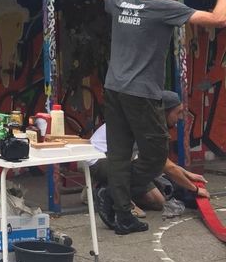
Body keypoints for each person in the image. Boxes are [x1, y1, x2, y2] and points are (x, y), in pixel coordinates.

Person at [67, 0, 226, 234]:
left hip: (114, 89)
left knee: (119, 154)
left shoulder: (122, 1)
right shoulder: (163, 7)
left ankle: (123, 216)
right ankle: (115, 197)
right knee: (154, 155)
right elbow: (218, 19)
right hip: (140, 93)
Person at [89, 91, 209, 222]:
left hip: (116, 159)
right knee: (151, 167)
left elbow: (162, 159)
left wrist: (187, 173)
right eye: (178, 112)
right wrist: (195, 190)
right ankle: (110, 192)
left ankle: (102, 187)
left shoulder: (151, 121)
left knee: (158, 201)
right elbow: (165, 166)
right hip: (99, 160)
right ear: (165, 111)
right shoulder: (148, 126)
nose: (180, 117)